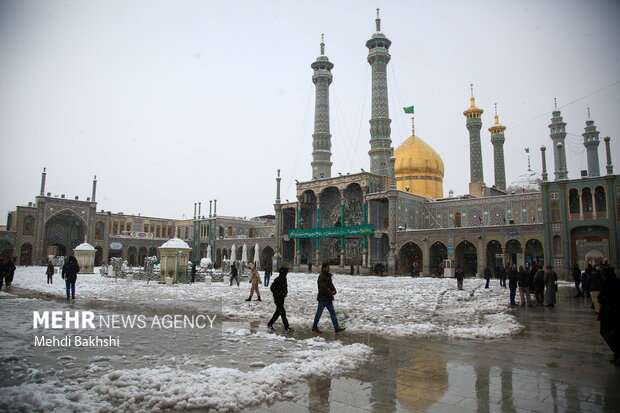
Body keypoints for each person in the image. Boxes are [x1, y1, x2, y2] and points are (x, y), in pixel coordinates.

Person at [311, 263, 345, 333]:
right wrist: (330, 292)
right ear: (324, 268)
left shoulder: (328, 276)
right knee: (319, 313)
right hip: (323, 298)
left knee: (333, 314)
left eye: (329, 268)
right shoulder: (321, 276)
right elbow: (322, 287)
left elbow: (331, 285)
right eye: (328, 268)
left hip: (328, 299)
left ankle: (336, 327)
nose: (329, 269)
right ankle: (314, 327)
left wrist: (334, 291)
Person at [597, 264, 620, 365]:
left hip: (609, 312)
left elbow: (601, 298)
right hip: (615, 311)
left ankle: (618, 351)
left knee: (606, 331)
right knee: (615, 333)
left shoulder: (606, 283)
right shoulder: (617, 282)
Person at [267, 267, 293, 333]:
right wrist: (278, 293)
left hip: (281, 298)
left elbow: (284, 288)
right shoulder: (278, 279)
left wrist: (285, 293)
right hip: (278, 298)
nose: (287, 273)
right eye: (286, 272)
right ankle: (286, 327)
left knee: (279, 312)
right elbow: (272, 288)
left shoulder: (284, 279)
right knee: (282, 313)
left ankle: (270, 324)